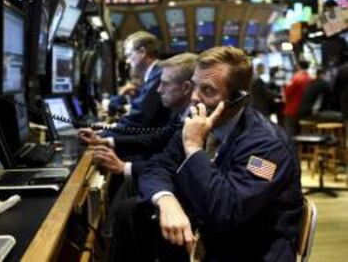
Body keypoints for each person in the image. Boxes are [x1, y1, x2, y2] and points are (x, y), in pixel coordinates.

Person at [110, 46, 303, 262]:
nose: (194, 98)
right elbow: (158, 166)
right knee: (130, 213)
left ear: (237, 99)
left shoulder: (267, 149)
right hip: (211, 234)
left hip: (250, 249)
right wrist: (166, 200)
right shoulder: (200, 123)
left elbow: (226, 212)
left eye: (208, 91)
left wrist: (194, 148)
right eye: (194, 87)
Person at [79, 53, 198, 181]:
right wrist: (106, 141)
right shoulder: (181, 112)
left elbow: (176, 166)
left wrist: (124, 167)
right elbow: (156, 138)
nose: (159, 90)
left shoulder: (195, 121)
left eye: (165, 84)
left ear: (186, 88)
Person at [117, 31, 171, 128]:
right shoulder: (155, 73)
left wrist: (105, 133)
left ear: (142, 52)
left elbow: (140, 116)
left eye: (129, 55)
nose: (127, 61)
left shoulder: (158, 75)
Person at [283, 60, 312, 137]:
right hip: (305, 110)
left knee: (290, 133)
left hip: (293, 109)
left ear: (298, 66)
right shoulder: (310, 78)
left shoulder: (296, 78)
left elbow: (287, 93)